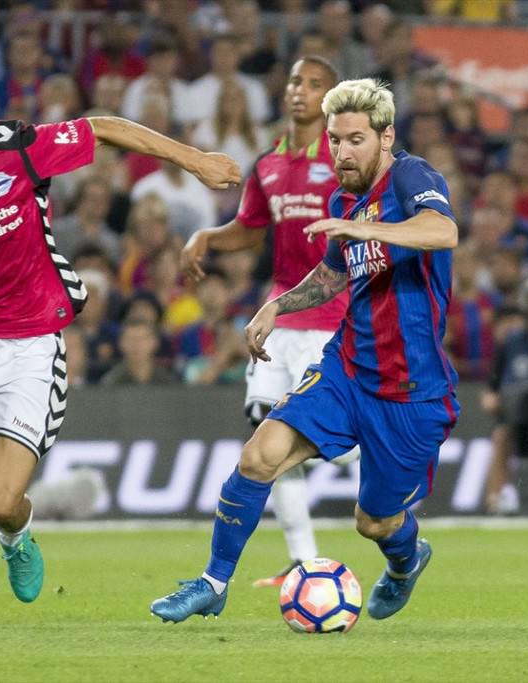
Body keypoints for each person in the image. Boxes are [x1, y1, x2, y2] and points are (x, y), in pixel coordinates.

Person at [0, 58, 239, 631]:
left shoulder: (11, 147)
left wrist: (195, 160)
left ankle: (16, 537)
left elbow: (102, 127)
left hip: (29, 343)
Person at [151, 78, 460, 623]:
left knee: (374, 521)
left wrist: (368, 229)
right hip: (348, 369)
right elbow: (334, 274)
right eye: (336, 140)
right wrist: (278, 306)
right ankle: (213, 582)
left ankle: (406, 561)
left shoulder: (412, 177)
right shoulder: (344, 200)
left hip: (411, 390)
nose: (343, 152)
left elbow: (443, 231)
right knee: (259, 455)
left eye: (356, 140)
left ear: (386, 137)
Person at [180, 56, 357, 589]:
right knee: (268, 433)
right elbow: (250, 227)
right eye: (296, 80)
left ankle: (398, 503)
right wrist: (208, 237)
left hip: (331, 315)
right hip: (279, 317)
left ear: (332, 98)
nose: (301, 90)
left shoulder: (346, 159)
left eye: (315, 84)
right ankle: (303, 559)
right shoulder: (269, 164)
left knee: (337, 442)